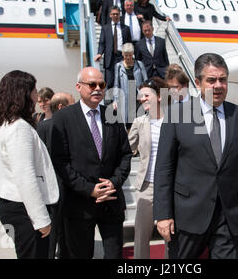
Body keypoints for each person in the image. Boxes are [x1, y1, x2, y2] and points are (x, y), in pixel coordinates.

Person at [153, 53, 238, 259]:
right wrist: (163, 215)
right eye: (211, 80)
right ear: (198, 82)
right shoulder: (177, 116)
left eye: (223, 79)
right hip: (188, 215)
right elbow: (164, 168)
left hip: (229, 216)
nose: (218, 85)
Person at [50, 67, 132, 259]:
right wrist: (89, 189)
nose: (97, 89)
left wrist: (114, 182)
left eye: (101, 85)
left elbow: (125, 155)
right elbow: (60, 162)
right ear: (79, 87)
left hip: (111, 203)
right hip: (79, 206)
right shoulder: (63, 118)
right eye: (92, 84)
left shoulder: (112, 115)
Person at [0, 70, 59, 259]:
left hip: (14, 206)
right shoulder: (19, 128)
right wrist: (41, 219)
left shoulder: (4, 124)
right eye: (34, 91)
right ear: (23, 94)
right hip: (25, 211)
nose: (37, 97)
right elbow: (25, 176)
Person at [128, 77, 169, 259]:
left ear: (159, 96)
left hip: (169, 186)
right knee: (141, 233)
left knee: (170, 233)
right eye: (140, 96)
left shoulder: (174, 121)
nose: (142, 99)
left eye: (146, 95)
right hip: (147, 185)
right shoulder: (139, 122)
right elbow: (126, 149)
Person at [36, 91, 75, 259]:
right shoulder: (50, 126)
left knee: (60, 233)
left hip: (58, 187)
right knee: (59, 232)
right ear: (61, 107)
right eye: (72, 105)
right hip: (59, 187)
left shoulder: (43, 126)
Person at [95, 6, 132, 88]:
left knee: (123, 80)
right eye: (114, 14)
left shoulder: (126, 28)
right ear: (110, 15)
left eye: (117, 14)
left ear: (120, 15)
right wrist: (99, 53)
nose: (115, 16)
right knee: (109, 81)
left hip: (122, 57)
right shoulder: (105, 28)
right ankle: (109, 100)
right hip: (110, 58)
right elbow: (102, 43)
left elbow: (129, 44)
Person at [113, 43, 148, 129]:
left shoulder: (139, 64)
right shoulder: (118, 66)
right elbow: (116, 84)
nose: (128, 57)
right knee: (127, 122)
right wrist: (115, 100)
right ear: (122, 54)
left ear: (133, 54)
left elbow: (146, 82)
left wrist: (146, 95)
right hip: (125, 97)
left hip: (138, 97)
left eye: (130, 55)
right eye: (126, 55)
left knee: (140, 121)